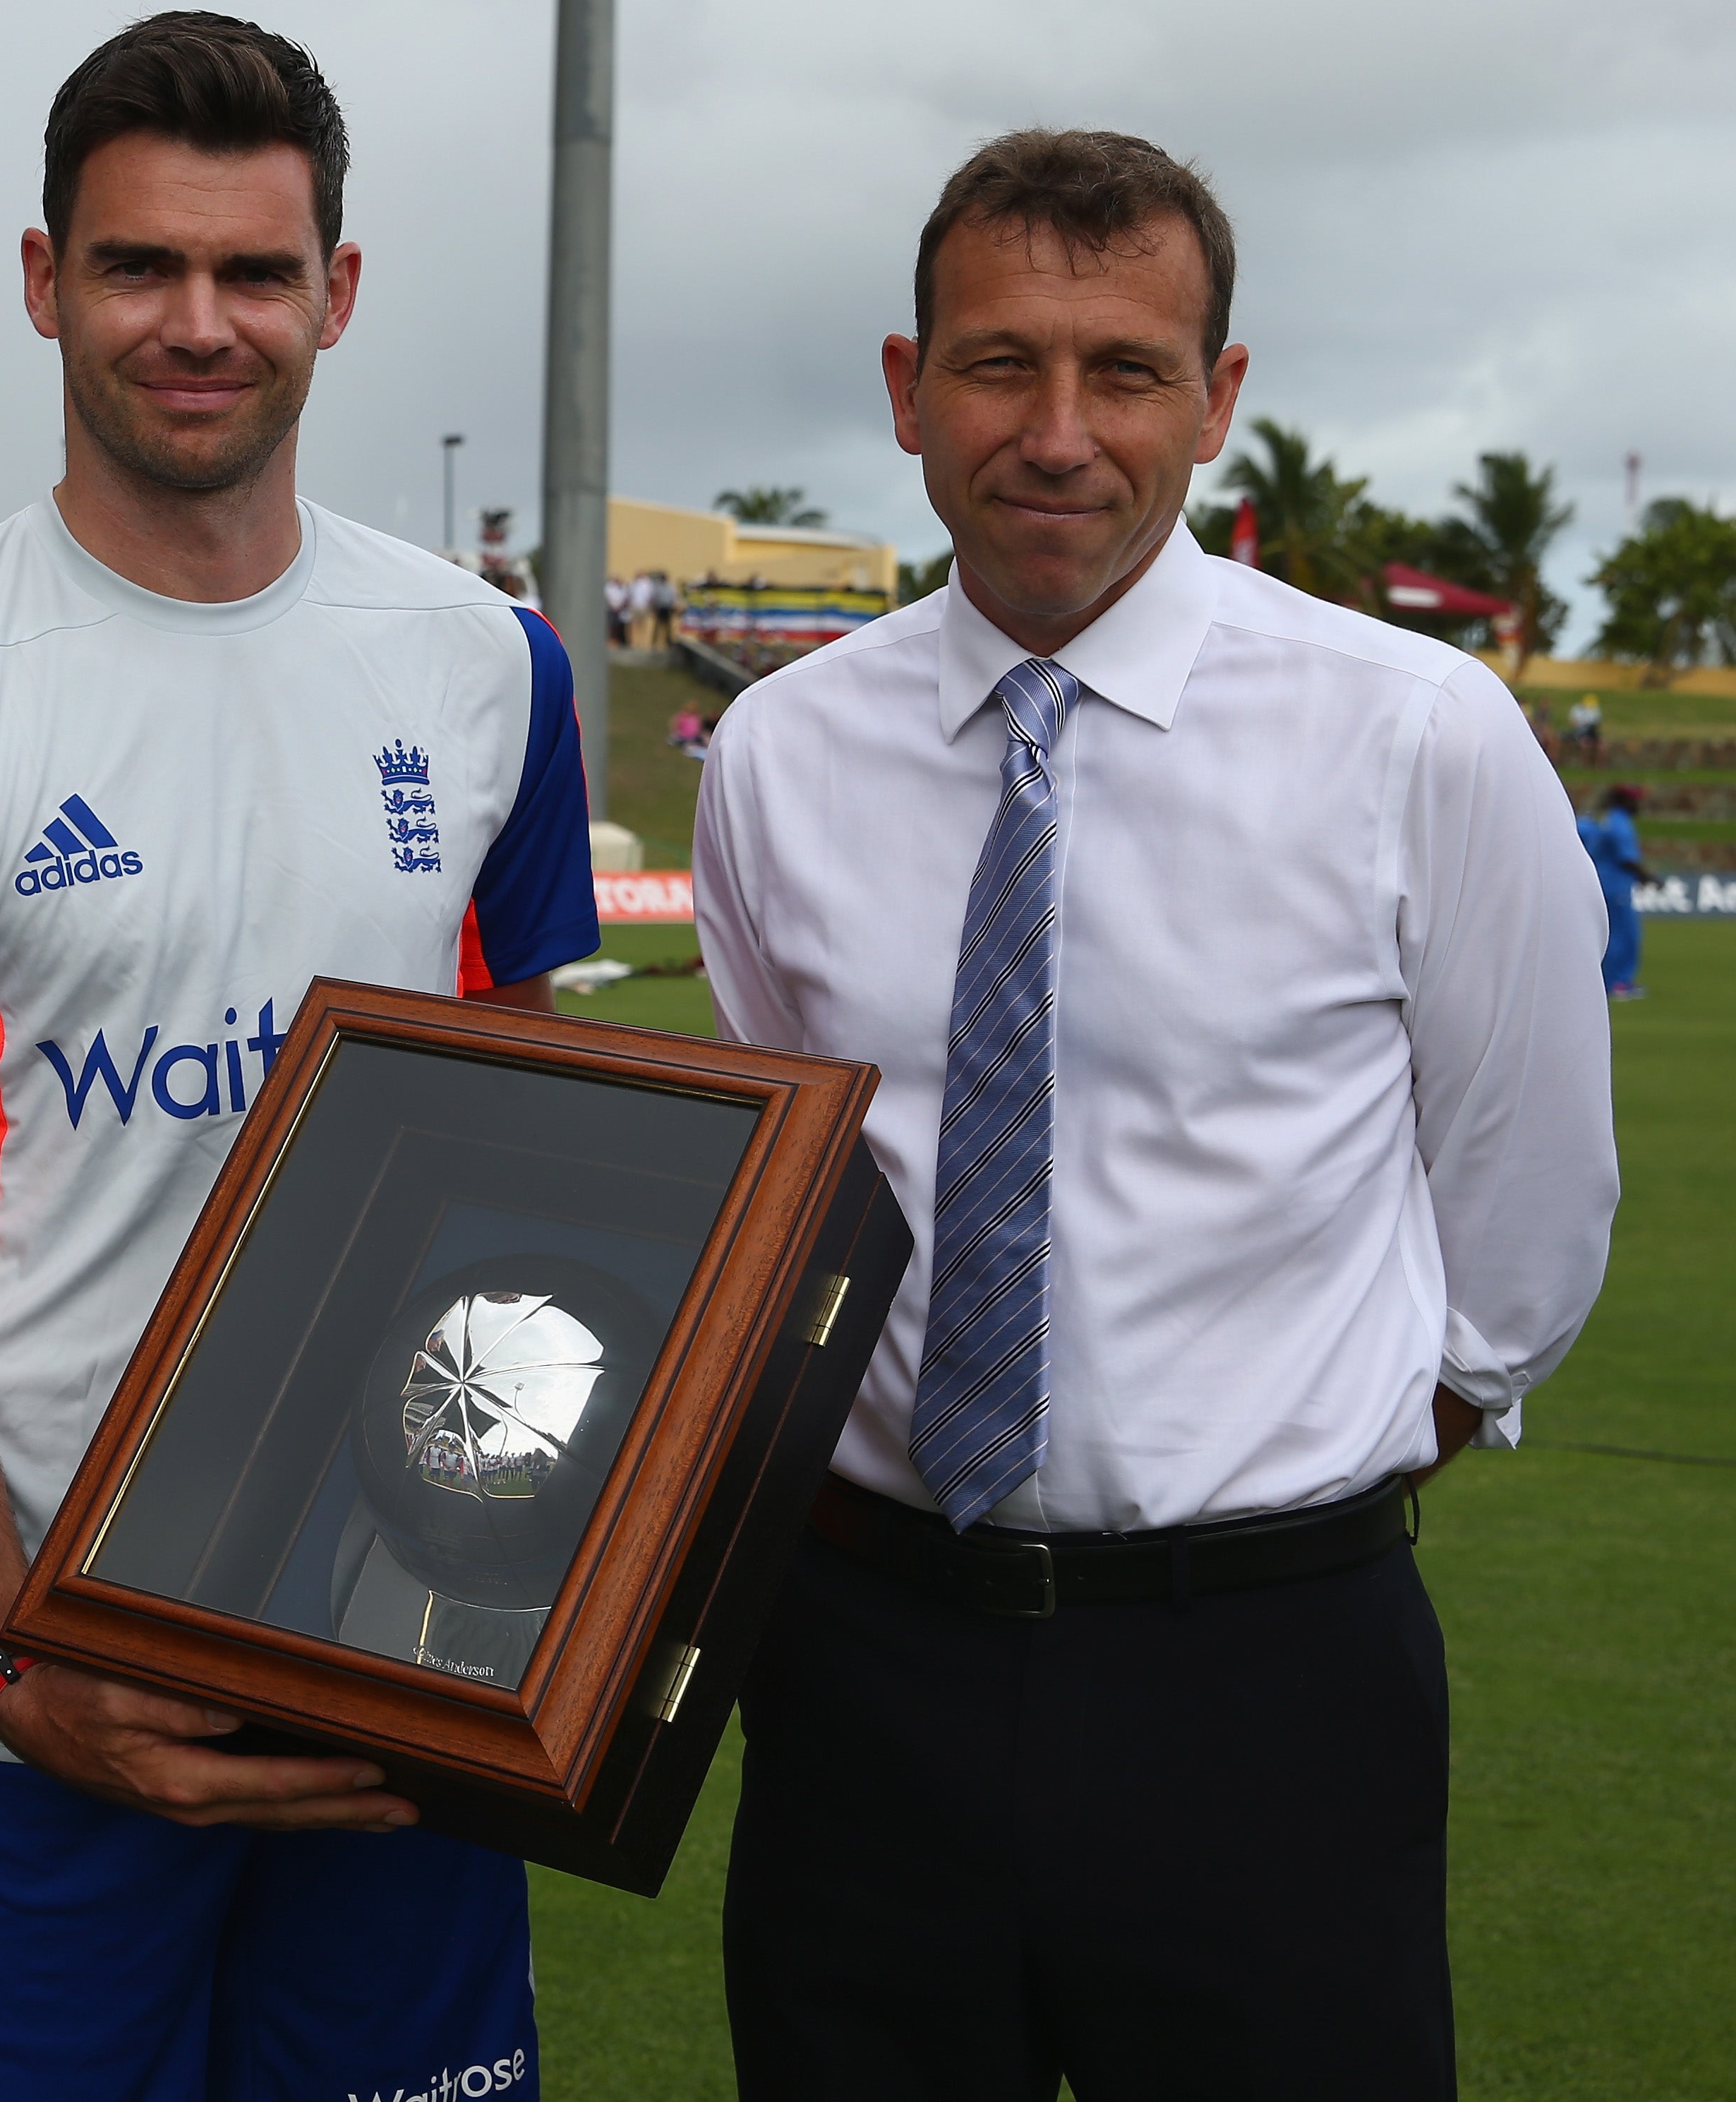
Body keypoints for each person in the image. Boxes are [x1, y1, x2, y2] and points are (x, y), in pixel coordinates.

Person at [692, 129, 1616, 2100]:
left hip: (1270, 1669)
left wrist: (1304, 1486)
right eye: (999, 363)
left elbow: (1529, 1219)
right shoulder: (778, 755)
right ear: (903, 387)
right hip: (867, 1661)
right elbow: (781, 1211)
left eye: (1125, 370)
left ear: (1219, 398)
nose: (1057, 431)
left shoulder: (1418, 736)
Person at [0, 15, 597, 2102]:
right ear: (44, 282)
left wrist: (543, 1598)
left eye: (254, 273)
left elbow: (548, 1179)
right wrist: (25, 1666)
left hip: (401, 1696)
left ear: (339, 296)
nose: (197, 325)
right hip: (26, 1718)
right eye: (138, 268)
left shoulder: (489, 672)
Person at [1582, 783, 1652, 998]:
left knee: (1608, 934)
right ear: (1626, 801)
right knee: (1624, 935)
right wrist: (1649, 878)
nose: (1638, 805)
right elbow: (1627, 859)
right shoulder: (1619, 823)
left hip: (1600, 884)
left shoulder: (1600, 820)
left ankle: (1607, 980)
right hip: (1616, 888)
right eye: (1635, 800)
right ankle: (1618, 982)